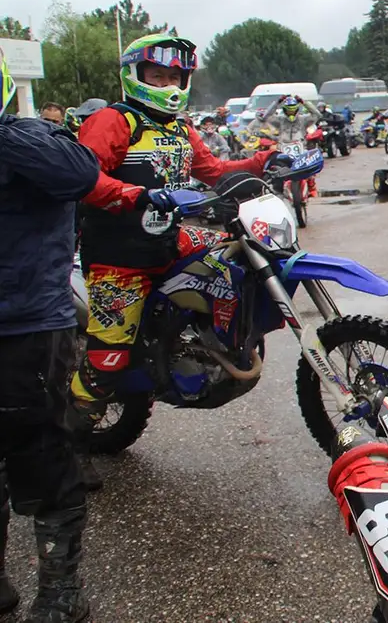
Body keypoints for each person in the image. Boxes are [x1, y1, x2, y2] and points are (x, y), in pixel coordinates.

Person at [68, 34, 289, 427]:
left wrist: (263, 161)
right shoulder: (115, 121)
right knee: (109, 356)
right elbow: (83, 179)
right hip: (118, 257)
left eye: (175, 77)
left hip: (169, 240)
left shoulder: (179, 129)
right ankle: (73, 434)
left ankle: (207, 341)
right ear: (135, 75)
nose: (168, 85)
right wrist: (138, 196)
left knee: (235, 252)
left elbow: (216, 172)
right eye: (157, 76)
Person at [0, 46, 100, 623]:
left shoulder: (32, 142)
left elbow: (79, 173)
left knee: (42, 454)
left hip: (28, 328)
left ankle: (60, 594)